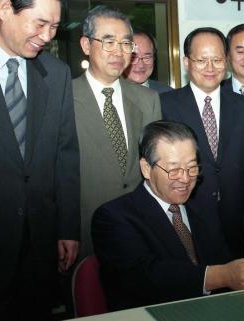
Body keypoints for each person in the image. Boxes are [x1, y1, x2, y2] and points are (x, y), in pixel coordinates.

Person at [92, 120, 244, 310]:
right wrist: (222, 276)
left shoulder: (203, 208)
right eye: (173, 169)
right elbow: (143, 278)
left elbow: (223, 262)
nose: (185, 178)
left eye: (192, 167)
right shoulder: (113, 217)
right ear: (146, 168)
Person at [0, 0, 80, 320]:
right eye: (40, 24)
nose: (47, 36)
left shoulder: (56, 74)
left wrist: (67, 228)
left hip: (38, 245)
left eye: (54, 27)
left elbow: (65, 154)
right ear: (4, 9)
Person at [161, 27, 244, 258]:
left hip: (236, 220)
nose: (210, 68)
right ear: (187, 62)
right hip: (188, 217)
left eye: (217, 60)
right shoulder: (165, 105)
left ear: (226, 62)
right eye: (202, 60)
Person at [73, 6, 161, 258]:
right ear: (86, 45)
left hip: (141, 228)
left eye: (125, 43)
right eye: (108, 42)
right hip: (84, 230)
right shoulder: (64, 98)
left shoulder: (148, 99)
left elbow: (154, 166)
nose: (118, 52)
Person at [123, 29, 172, 94]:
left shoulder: (168, 95)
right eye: (133, 58)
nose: (141, 65)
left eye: (147, 57)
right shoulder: (108, 95)